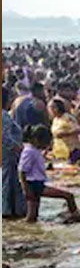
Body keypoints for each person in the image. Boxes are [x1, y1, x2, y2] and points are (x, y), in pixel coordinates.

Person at [19, 124, 78, 222]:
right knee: (68, 196)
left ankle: (24, 232)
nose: (45, 146)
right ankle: (75, 215)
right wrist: (26, 188)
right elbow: (21, 170)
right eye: (45, 143)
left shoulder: (34, 149)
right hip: (33, 185)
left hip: (35, 184)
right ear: (36, 140)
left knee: (32, 217)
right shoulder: (29, 151)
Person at [2, 86, 26, 218]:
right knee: (7, 180)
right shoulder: (4, 116)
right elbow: (4, 136)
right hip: (8, 153)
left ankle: (15, 209)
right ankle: (5, 210)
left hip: (7, 153)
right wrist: (16, 147)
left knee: (11, 179)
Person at [49, 98, 80, 166]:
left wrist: (65, 134)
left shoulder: (67, 118)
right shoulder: (55, 120)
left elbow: (78, 130)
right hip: (61, 152)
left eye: (53, 107)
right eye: (50, 108)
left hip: (73, 150)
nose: (51, 110)